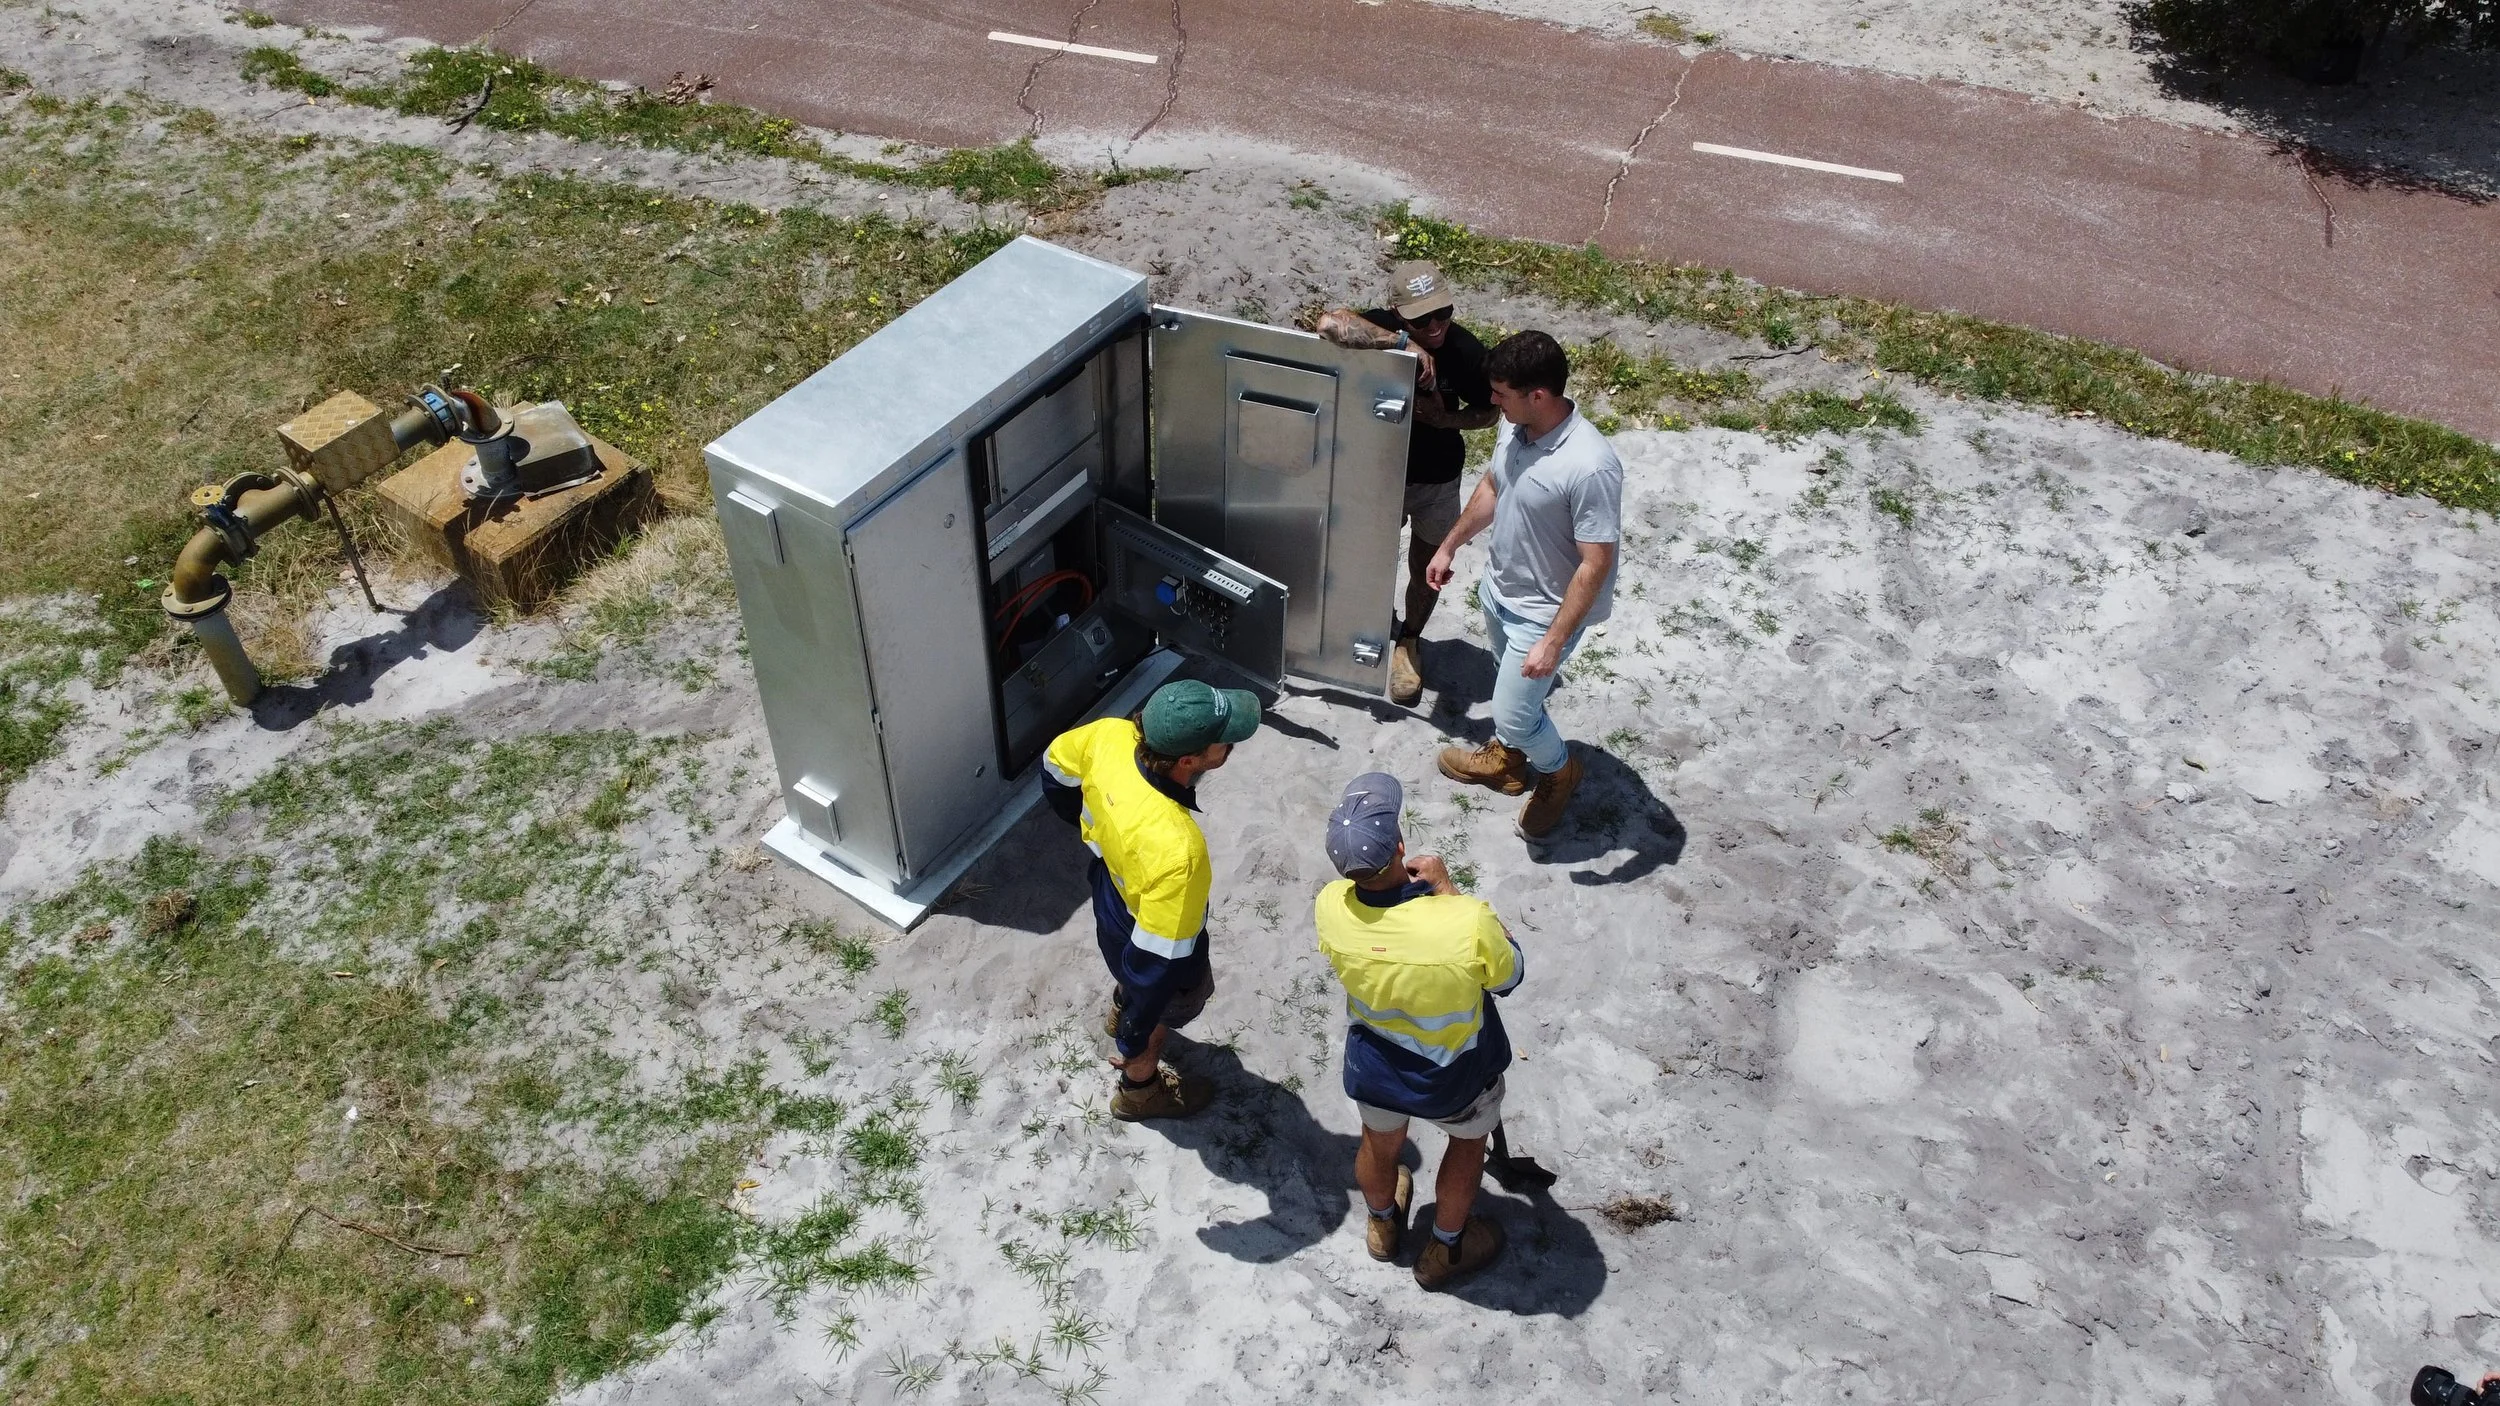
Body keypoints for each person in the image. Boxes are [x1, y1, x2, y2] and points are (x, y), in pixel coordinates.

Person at [1313, 771, 1524, 1290]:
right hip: (1454, 1073)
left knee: (1380, 1145)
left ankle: (1384, 1226)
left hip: (1376, 1063)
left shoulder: (1329, 906)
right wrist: (1448, 890)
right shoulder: (1464, 921)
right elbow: (1509, 975)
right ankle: (1446, 1249)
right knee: (1466, 1146)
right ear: (1401, 846)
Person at [1426, 330, 1621, 840]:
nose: (1491, 401)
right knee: (1508, 692)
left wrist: (1553, 641)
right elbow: (1494, 485)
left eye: (1501, 393)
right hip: (1500, 591)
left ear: (1539, 395)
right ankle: (1510, 765)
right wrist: (1450, 545)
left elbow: (1595, 564)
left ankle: (1559, 774)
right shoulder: (1516, 427)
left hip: (1544, 613)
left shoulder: (1590, 465)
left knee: (1513, 712)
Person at [1042, 679, 1261, 1120]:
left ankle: (1121, 1008)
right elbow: (1159, 965)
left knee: (1128, 970)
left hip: (1109, 894)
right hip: (1150, 933)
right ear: (1189, 761)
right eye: (1223, 742)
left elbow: (1054, 768)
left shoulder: (1108, 735)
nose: (1230, 745)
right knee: (1161, 1005)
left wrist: (1092, 827)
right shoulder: (1179, 852)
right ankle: (1139, 1089)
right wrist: (1136, 1035)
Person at [1316, 260, 1499, 707]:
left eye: (1443, 313)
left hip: (1437, 480)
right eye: (1421, 318)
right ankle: (1373, 625)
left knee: (1426, 566)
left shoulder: (1466, 351)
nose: (1435, 326)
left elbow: (1491, 411)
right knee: (1366, 560)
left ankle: (1409, 641)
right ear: (1397, 312)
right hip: (1377, 476)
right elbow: (1328, 324)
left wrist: (1445, 418)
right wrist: (1403, 345)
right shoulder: (1380, 329)